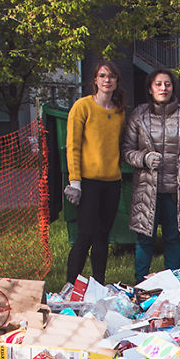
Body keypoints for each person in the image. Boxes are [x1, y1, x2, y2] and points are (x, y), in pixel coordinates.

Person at [123, 69, 180, 282]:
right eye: (158, 84)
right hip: (147, 190)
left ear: (173, 87)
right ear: (150, 88)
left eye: (167, 84)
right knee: (144, 240)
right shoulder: (138, 116)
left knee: (173, 240)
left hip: (175, 192)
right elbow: (127, 151)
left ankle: (173, 285)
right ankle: (141, 285)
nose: (163, 88)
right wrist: (144, 158)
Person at [64, 61, 126, 285]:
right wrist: (75, 181)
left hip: (112, 182)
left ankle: (98, 284)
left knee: (102, 236)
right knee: (86, 235)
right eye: (102, 76)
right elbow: (73, 145)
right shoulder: (82, 107)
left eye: (111, 76)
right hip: (87, 182)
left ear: (117, 81)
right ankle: (71, 285)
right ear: (95, 81)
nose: (107, 80)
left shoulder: (119, 112)